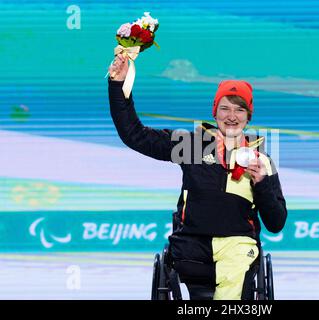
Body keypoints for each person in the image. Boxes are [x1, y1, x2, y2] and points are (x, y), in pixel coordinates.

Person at [108, 54, 287, 300]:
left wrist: (263, 184)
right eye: (224, 108)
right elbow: (134, 135)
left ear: (248, 116)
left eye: (239, 109)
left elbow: (276, 224)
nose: (231, 116)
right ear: (215, 112)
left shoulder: (262, 161)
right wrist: (118, 85)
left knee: (237, 268)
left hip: (237, 247)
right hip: (191, 246)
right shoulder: (190, 145)